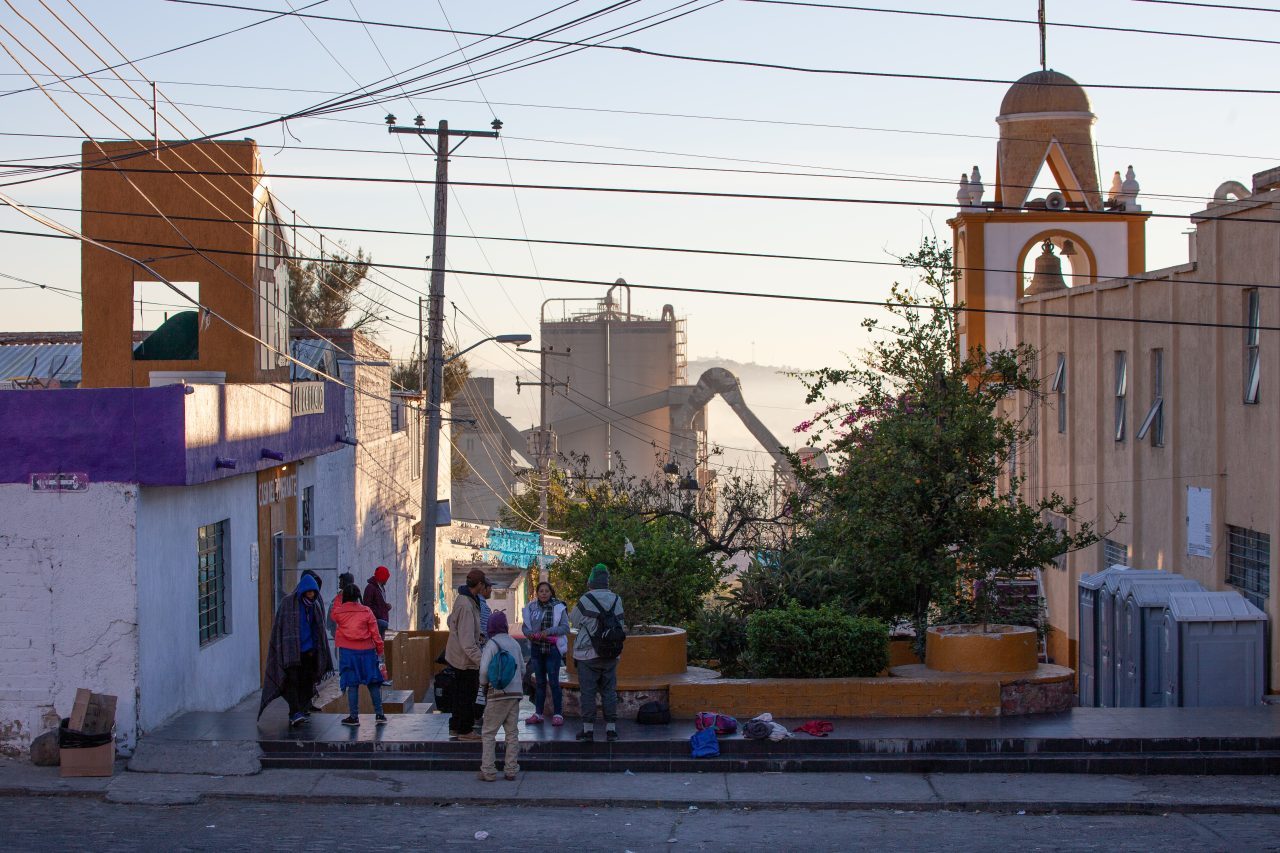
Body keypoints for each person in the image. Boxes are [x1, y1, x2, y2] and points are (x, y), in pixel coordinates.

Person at [259, 573, 333, 726]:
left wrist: (318, 650)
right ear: (303, 591)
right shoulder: (288, 604)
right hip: (291, 652)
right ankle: (294, 712)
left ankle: (300, 709)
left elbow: (319, 630)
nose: (311, 595)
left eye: (314, 592)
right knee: (291, 681)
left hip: (309, 652)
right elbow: (279, 629)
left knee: (307, 681)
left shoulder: (315, 606)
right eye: (309, 592)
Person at [569, 564, 624, 742]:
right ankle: (611, 730)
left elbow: (575, 622)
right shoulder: (617, 599)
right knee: (609, 691)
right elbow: (621, 625)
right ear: (607, 581)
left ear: (591, 581)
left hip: (587, 654)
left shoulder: (586, 599)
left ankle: (588, 730)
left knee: (588, 692)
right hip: (611, 654)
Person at [331, 583, 387, 726]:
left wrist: (339, 595)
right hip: (367, 652)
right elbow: (375, 633)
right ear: (358, 596)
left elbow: (333, 611)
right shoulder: (367, 611)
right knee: (373, 683)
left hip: (348, 652)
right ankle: (380, 714)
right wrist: (380, 650)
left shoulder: (339, 612)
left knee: (352, 684)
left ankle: (354, 717)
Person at [477, 610, 524, 781]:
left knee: (489, 732)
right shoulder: (514, 643)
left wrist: (484, 685)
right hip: (515, 693)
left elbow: (483, 671)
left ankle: (488, 771)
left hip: (498, 694)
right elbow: (522, 669)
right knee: (512, 733)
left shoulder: (491, 644)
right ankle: (511, 769)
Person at [444, 568, 487, 741]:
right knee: (467, 695)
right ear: (480, 585)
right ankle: (465, 730)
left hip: (459, 655)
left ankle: (455, 727)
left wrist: (479, 635)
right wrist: (482, 661)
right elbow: (467, 642)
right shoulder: (467, 605)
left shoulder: (464, 599)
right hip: (464, 659)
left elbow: (454, 623)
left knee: (459, 694)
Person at [521, 581, 568, 726]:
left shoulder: (559, 608)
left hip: (552, 650)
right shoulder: (531, 608)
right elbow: (525, 626)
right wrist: (529, 634)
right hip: (536, 648)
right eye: (541, 591)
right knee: (540, 683)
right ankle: (538, 713)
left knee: (553, 682)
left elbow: (565, 628)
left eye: (546, 591)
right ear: (537, 593)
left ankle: (558, 714)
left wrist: (548, 632)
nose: (543, 593)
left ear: (551, 592)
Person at [363, 566, 392, 637]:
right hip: (376, 622)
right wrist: (377, 615)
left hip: (381, 621)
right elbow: (367, 606)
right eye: (386, 578)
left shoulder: (380, 587)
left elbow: (378, 604)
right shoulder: (370, 588)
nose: (387, 580)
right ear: (382, 577)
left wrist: (386, 606)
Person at [327, 571, 356, 637]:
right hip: (341, 632)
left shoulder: (348, 597)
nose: (339, 583)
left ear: (345, 582)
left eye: (341, 581)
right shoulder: (340, 596)